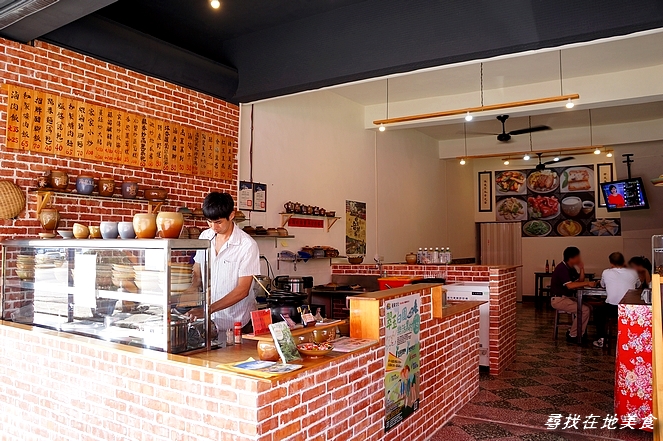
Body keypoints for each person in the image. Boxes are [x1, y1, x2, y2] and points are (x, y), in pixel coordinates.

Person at [186, 192, 260, 334]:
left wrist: (208, 309)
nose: (213, 227)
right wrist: (192, 289)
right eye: (209, 221)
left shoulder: (247, 245)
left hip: (237, 323)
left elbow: (242, 290)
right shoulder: (205, 236)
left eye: (218, 222)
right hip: (210, 321)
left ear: (231, 215)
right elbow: (197, 268)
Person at [593, 252, 640, 348]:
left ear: (611, 263)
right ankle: (631, 339)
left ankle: (601, 338)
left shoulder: (606, 272)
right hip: (629, 309)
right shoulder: (633, 272)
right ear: (623, 261)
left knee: (598, 312)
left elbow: (602, 285)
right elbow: (638, 285)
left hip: (612, 308)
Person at [550, 247, 597, 342]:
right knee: (585, 310)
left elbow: (579, 281)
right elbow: (570, 285)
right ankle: (574, 334)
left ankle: (578, 332)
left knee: (589, 307)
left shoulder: (570, 268)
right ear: (571, 258)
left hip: (566, 297)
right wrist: (588, 283)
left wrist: (582, 269)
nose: (579, 258)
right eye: (578, 256)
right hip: (559, 299)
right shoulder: (562, 268)